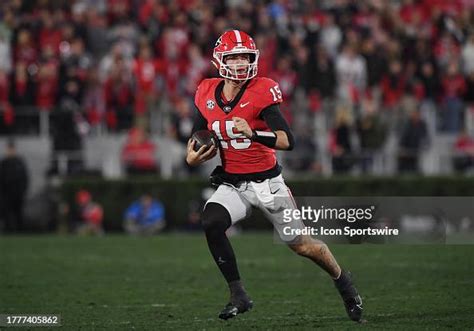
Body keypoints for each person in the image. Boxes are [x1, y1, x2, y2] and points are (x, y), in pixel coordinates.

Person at [186, 30, 363, 322]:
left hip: (267, 183)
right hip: (233, 182)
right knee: (211, 221)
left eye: (245, 56)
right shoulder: (205, 91)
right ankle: (238, 294)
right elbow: (197, 134)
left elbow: (287, 139)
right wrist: (190, 156)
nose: (241, 63)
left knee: (302, 245)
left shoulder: (262, 89)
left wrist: (252, 132)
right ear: (220, 60)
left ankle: (344, 281)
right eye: (235, 57)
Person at [0, 140, 29, 233]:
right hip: (7, 194)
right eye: (9, 149)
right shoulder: (4, 163)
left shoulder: (19, 162)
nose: (10, 151)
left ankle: (20, 231)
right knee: (7, 213)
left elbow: (25, 178)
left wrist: (23, 190)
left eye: (12, 149)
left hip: (18, 193)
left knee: (18, 213)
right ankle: (9, 231)